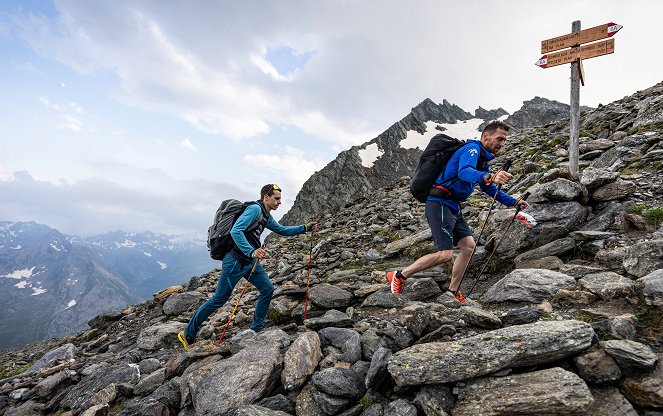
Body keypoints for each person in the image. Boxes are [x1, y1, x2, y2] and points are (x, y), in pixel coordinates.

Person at [387, 120, 529, 303]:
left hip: (452, 205)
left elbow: (488, 188)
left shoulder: (482, 159)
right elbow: (464, 172)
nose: (502, 144)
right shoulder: (472, 150)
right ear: (486, 136)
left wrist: (514, 201)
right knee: (444, 254)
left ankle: (453, 292)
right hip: (440, 202)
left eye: (504, 141)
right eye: (499, 139)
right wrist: (490, 176)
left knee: (469, 247)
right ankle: (399, 275)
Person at [178, 184, 317, 350]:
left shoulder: (265, 215)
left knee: (267, 289)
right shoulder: (255, 210)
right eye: (277, 198)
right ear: (266, 197)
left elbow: (282, 230)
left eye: (280, 199)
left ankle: (256, 329)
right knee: (219, 300)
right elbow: (236, 231)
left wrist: (305, 228)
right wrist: (251, 251)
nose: (279, 202)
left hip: (250, 262)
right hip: (235, 261)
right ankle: (187, 333)